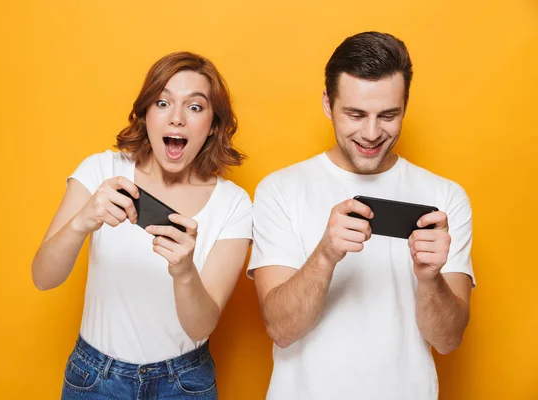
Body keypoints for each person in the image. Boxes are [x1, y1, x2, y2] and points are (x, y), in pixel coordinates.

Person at [248, 31, 475, 400]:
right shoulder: (280, 190)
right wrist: (325, 255)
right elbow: (281, 329)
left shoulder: (445, 197)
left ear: (405, 104)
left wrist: (431, 278)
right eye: (355, 114)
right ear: (327, 104)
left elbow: (448, 340)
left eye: (388, 115)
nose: (371, 133)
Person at [32, 51, 252, 400]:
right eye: (163, 103)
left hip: (184, 384)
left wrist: (184, 272)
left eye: (195, 107)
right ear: (146, 113)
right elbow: (43, 278)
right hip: (95, 379)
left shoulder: (235, 204)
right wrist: (82, 221)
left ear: (213, 124)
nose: (177, 118)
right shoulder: (101, 170)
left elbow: (201, 326)